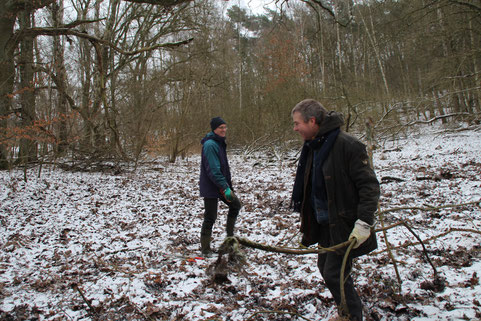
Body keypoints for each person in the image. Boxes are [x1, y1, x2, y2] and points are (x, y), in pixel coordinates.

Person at [290, 99, 380, 321]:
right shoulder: (313, 145)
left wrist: (364, 223)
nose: (295, 128)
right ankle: (347, 312)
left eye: (297, 123)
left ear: (312, 121)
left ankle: (352, 316)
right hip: (324, 224)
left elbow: (369, 186)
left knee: (333, 273)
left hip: (345, 224)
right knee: (327, 269)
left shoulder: (348, 145)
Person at [199, 117, 242, 255]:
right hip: (212, 186)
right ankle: (205, 250)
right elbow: (213, 169)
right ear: (214, 129)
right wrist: (225, 187)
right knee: (210, 217)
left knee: (235, 205)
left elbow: (222, 167)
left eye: (225, 127)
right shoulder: (210, 145)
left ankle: (230, 240)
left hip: (221, 184)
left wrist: (226, 185)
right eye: (220, 128)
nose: (224, 130)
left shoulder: (219, 142)